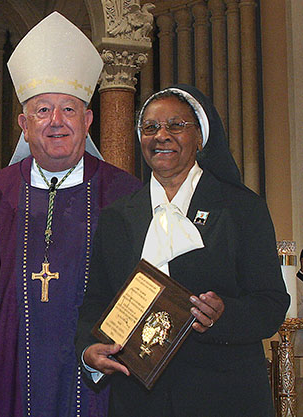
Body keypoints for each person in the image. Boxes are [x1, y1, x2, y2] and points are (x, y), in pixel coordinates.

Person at [75, 84, 290, 416]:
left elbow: (272, 302)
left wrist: (224, 314)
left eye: (176, 125)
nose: (161, 135)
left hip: (224, 396)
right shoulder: (117, 217)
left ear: (200, 138)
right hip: (138, 400)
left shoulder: (241, 209)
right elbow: (97, 300)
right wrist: (89, 350)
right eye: (150, 127)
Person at [0, 12, 142, 417]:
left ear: (87, 121)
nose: (56, 122)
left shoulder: (124, 194)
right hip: (14, 363)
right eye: (43, 110)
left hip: (99, 366)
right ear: (24, 124)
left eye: (69, 110)